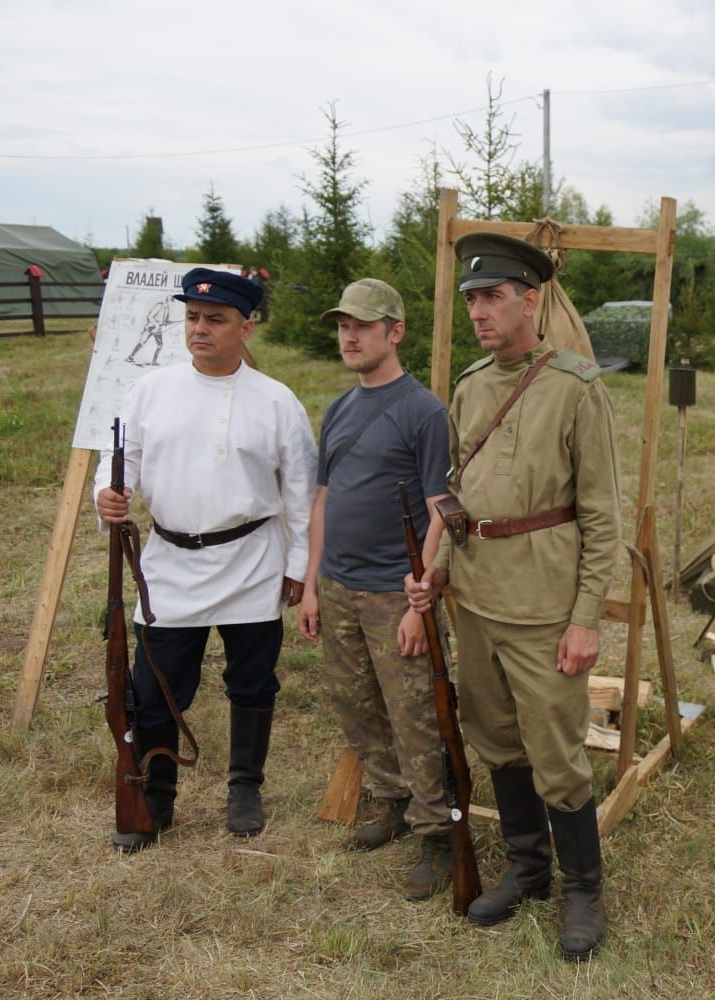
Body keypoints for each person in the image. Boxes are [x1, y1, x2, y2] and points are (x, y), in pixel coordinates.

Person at [406, 232, 622, 961]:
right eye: (471, 299)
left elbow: (601, 515)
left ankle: (583, 890)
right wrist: (433, 573)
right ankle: (529, 868)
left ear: (531, 301)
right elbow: (456, 497)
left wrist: (586, 618)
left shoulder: (576, 386)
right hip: (478, 599)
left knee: (557, 753)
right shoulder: (469, 387)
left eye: (493, 297)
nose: (480, 312)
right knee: (498, 740)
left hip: (543, 608)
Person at [94, 267, 316, 852]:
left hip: (251, 562)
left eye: (214, 319)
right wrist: (107, 497)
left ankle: (245, 787)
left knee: (252, 682)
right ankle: (155, 798)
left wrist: (298, 565)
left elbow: (299, 492)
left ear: (245, 327)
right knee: (154, 688)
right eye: (192, 317)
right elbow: (120, 460)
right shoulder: (150, 392)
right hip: (169, 564)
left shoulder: (276, 401)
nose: (200, 328)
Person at [296, 277, 456, 900]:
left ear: (395, 332)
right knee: (356, 706)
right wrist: (311, 584)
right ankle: (391, 802)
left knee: (415, 715)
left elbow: (440, 506)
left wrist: (421, 596)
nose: (349, 336)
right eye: (343, 325)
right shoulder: (338, 409)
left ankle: (438, 833)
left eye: (362, 326)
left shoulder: (424, 411)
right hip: (337, 586)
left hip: (395, 594)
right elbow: (323, 500)